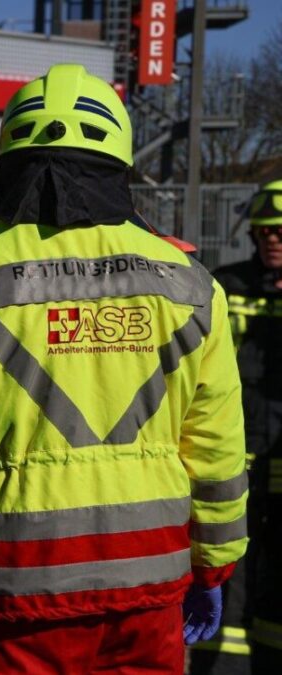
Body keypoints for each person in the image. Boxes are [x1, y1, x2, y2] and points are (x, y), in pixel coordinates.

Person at [0, 63, 248, 674]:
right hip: (150, 589)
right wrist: (216, 564)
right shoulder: (192, 284)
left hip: (10, 595)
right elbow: (216, 446)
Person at [202, 180, 282, 674]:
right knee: (229, 573)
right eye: (266, 230)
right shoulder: (224, 287)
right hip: (236, 465)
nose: (273, 238)